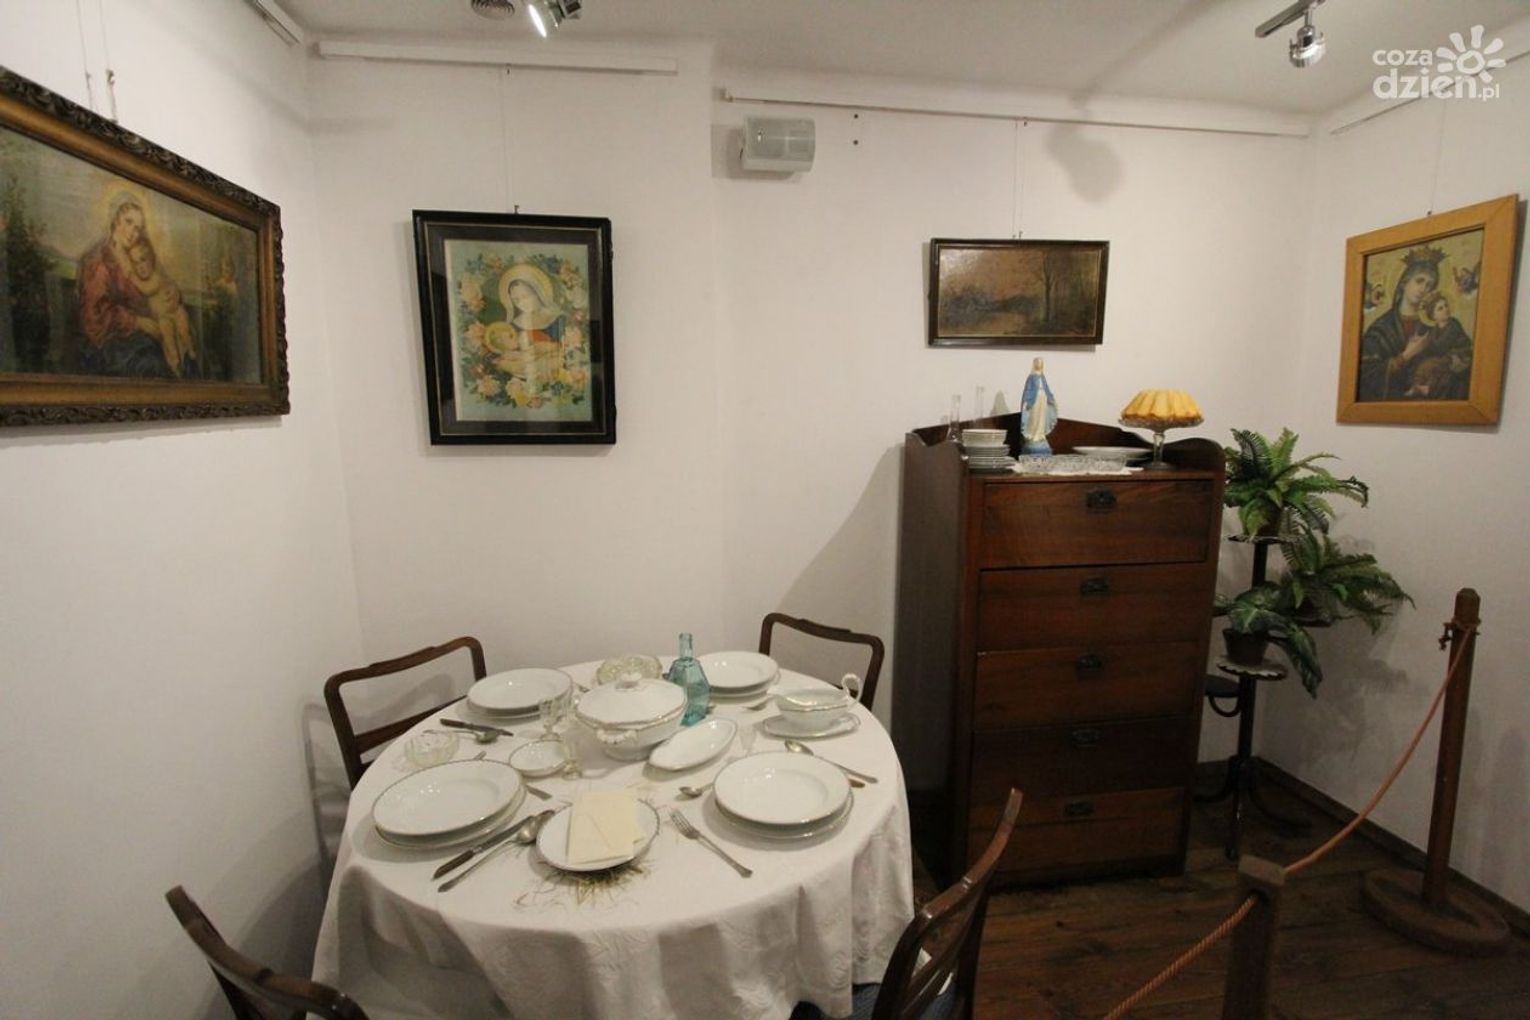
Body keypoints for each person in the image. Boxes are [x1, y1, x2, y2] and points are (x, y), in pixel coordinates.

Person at [76, 196, 176, 377]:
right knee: (152, 364)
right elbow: (94, 315)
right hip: (107, 344)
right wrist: (137, 322)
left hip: (141, 336)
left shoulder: (135, 255)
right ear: (116, 220)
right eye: (128, 222)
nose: (133, 232)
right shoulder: (99, 261)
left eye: (137, 228)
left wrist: (171, 291)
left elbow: (154, 282)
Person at [1356, 246, 1455, 402]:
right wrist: (1406, 355)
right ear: (1404, 282)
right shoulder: (1381, 328)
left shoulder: (1431, 326)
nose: (1423, 289)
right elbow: (1365, 376)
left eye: (1429, 285)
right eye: (1419, 281)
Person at [127, 238, 196, 378]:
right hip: (163, 317)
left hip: (175, 312)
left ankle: (190, 351)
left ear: (152, 260)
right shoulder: (140, 281)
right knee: (167, 337)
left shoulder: (156, 278)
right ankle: (175, 363)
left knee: (184, 331)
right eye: (135, 263)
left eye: (143, 260)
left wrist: (133, 279)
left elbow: (147, 289)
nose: (140, 267)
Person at [1403, 290, 1472, 400]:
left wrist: (1425, 344)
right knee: (1420, 361)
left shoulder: (1453, 325)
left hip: (1460, 355)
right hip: (1445, 356)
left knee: (1430, 364)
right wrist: (1418, 344)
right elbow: (1432, 346)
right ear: (1433, 316)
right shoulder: (1434, 329)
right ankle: (1417, 385)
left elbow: (1440, 346)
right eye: (1440, 308)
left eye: (1446, 306)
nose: (1445, 309)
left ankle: (1424, 387)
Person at [1020, 356, 1057, 455]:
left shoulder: (1042, 377)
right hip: (1034, 400)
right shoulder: (1031, 377)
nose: (1039, 364)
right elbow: (1028, 390)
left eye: (1041, 362)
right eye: (1038, 362)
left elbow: (1046, 388)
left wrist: (1051, 399)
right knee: (1034, 417)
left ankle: (1040, 434)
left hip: (1043, 398)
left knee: (1041, 417)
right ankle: (1033, 435)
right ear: (1035, 364)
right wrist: (1026, 401)